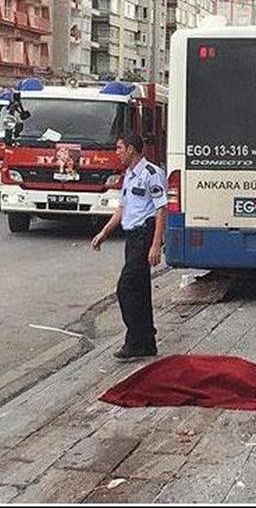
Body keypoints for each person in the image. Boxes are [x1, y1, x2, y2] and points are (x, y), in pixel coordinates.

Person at [90, 133, 167, 361]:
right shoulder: (130, 175)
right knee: (140, 290)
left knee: (126, 288)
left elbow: (161, 209)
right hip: (131, 238)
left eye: (119, 148)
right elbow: (122, 208)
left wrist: (156, 244)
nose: (117, 153)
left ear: (131, 149)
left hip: (144, 237)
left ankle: (134, 339)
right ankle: (147, 341)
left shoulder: (151, 174)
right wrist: (105, 232)